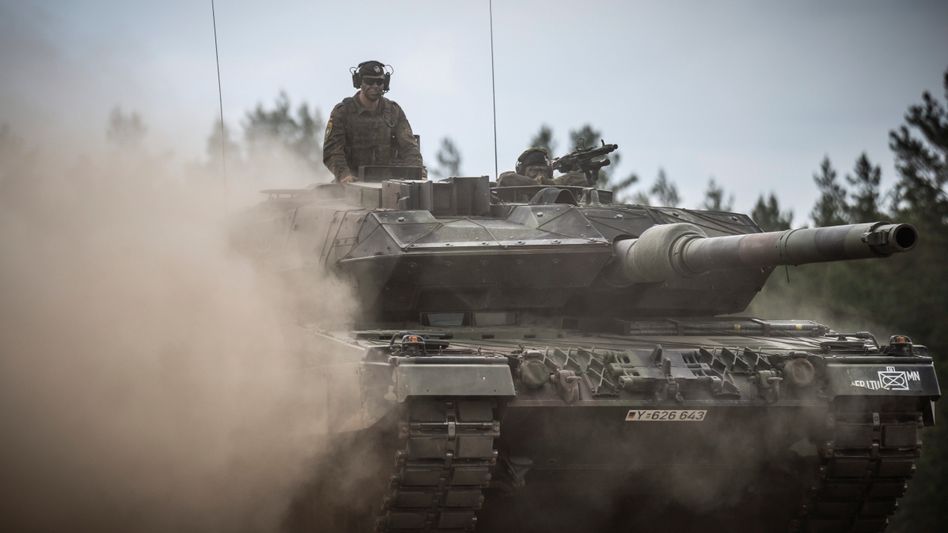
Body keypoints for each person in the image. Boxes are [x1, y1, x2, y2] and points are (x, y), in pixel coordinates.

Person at [322, 60, 424, 183]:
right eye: (369, 81)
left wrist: (416, 174)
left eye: (379, 82)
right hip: (351, 182)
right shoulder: (343, 112)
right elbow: (332, 151)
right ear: (359, 82)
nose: (375, 86)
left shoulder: (393, 111)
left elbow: (409, 148)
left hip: (388, 183)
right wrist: (344, 175)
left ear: (385, 84)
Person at [497, 148, 587, 187]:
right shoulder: (514, 186)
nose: (539, 174)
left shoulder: (554, 187)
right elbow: (506, 178)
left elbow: (581, 179)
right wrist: (540, 183)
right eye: (533, 170)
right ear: (521, 171)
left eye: (543, 170)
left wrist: (551, 183)